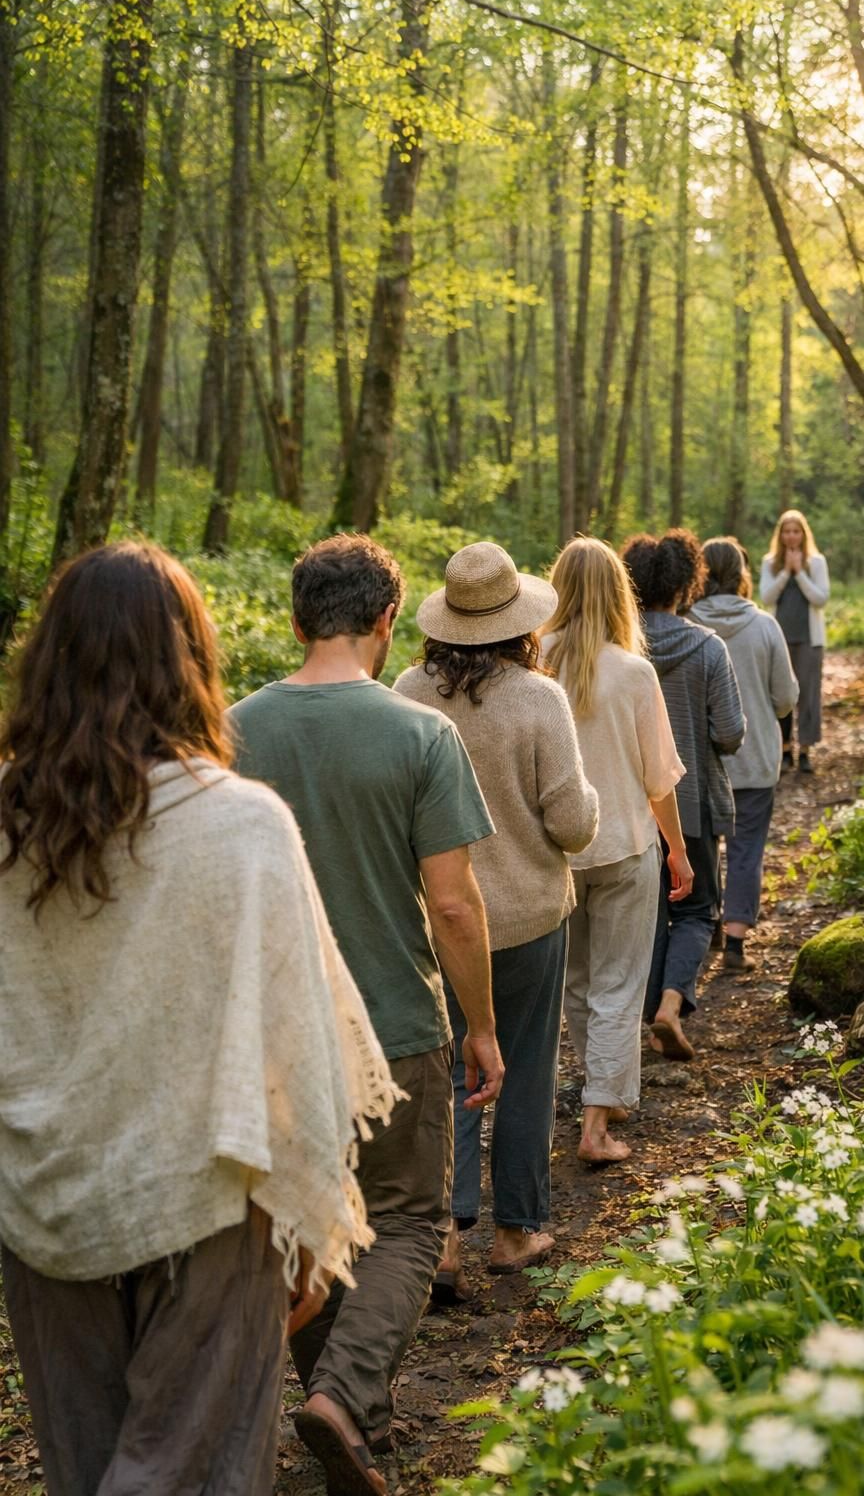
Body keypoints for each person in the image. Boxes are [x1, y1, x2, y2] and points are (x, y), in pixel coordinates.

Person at [0, 542, 398, 1496]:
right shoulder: (241, 823)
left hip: (44, 1209)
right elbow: (298, 1034)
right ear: (192, 663)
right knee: (200, 1471)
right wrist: (306, 1224)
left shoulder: (10, 826)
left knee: (87, 1468)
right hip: (209, 1203)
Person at [230, 533, 504, 1496]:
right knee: (405, 1221)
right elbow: (457, 905)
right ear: (390, 621)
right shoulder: (419, 735)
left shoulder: (230, 729)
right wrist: (480, 1026)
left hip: (270, 1039)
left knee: (311, 1221)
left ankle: (358, 1414)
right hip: (392, 1023)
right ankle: (344, 1399)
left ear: (298, 620)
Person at [395, 542, 598, 1293]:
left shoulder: (408, 691)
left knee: (449, 1070)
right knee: (525, 1067)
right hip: (529, 918)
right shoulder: (538, 699)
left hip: (435, 921)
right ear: (518, 620)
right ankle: (516, 1232)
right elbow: (572, 823)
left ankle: (444, 1236)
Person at [540, 537, 691, 1166]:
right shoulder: (632, 671)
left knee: (576, 981)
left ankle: (603, 1086)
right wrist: (679, 852)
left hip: (554, 851)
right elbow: (659, 780)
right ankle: (598, 1120)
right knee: (620, 984)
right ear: (617, 593)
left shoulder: (532, 663)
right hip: (626, 846)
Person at [621, 532, 746, 1039]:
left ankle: (639, 1017)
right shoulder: (708, 647)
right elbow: (730, 733)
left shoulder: (619, 650)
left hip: (632, 807)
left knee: (648, 915)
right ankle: (671, 1005)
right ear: (685, 584)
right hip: (691, 803)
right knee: (696, 909)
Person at [690, 538, 798, 973]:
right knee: (746, 849)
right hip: (754, 760)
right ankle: (735, 944)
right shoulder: (765, 626)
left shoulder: (686, 625)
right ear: (742, 575)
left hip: (699, 763)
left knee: (703, 848)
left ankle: (708, 925)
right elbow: (786, 696)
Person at [759, 509, 829, 774]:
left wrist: (800, 572)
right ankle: (785, 749)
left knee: (809, 695)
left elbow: (821, 598)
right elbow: (767, 597)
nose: (791, 536)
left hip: (810, 639)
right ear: (780, 535)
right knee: (781, 693)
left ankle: (806, 749)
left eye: (796, 531)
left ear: (803, 534)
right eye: (786, 531)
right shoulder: (769, 563)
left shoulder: (817, 562)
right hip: (779, 639)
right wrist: (786, 572)